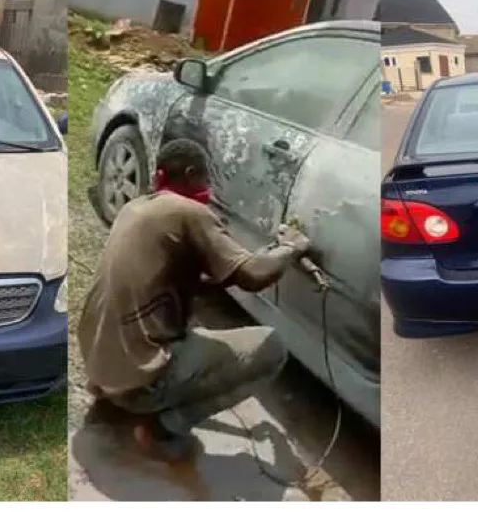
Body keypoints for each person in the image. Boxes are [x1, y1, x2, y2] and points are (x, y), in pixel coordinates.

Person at [78, 138, 312, 461]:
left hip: (97, 367)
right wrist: (291, 247)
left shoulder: (135, 207)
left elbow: (178, 277)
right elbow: (253, 276)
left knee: (193, 332)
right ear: (190, 173)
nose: (209, 188)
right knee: (272, 348)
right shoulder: (188, 211)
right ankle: (163, 426)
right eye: (205, 178)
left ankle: (122, 394)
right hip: (136, 384)